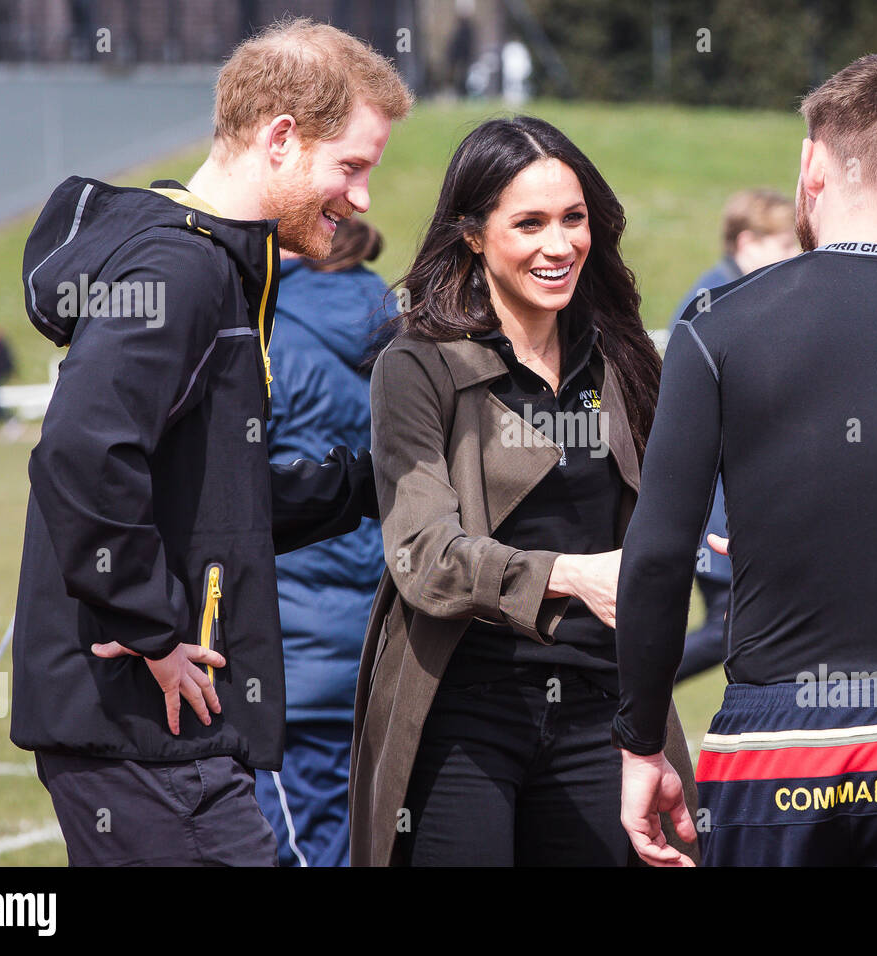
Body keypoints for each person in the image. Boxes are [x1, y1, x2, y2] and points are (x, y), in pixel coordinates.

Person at [614, 52, 877, 866]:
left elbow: (658, 556)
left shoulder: (718, 328)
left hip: (775, 745)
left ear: (811, 168)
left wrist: (640, 742)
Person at [10, 17, 412, 867]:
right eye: (351, 166)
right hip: (146, 726)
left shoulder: (217, 268)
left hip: (161, 727)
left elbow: (219, 504)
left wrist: (382, 479)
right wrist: (151, 629)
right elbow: (82, 452)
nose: (363, 198)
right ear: (280, 138)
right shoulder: (179, 269)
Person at [350, 116, 698, 867]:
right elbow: (422, 555)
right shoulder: (417, 366)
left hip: (605, 713)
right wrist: (569, 576)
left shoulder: (622, 360)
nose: (560, 244)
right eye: (530, 223)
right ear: (474, 235)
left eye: (574, 219)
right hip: (461, 712)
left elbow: (674, 506)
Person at [253, 217, 393, 867]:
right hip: (385, 641)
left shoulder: (263, 325)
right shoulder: (402, 319)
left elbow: (239, 492)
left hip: (291, 649)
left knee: (298, 846)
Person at [669, 189, 798, 683]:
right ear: (747, 242)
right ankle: (623, 690)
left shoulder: (747, 295)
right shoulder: (711, 304)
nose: (794, 256)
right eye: (784, 243)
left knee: (747, 626)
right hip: (718, 507)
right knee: (732, 626)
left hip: (742, 502)